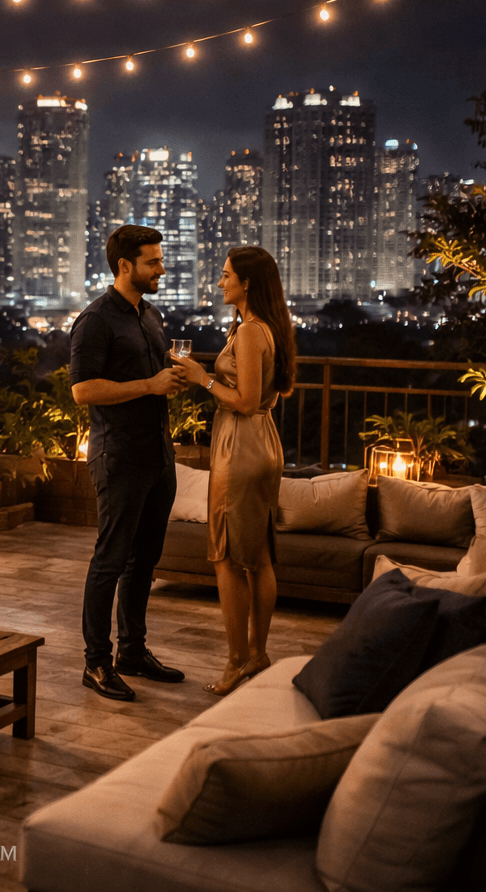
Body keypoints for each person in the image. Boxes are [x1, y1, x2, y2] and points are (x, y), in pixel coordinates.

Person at [68, 225, 187, 701]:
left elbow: (156, 375)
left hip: (158, 455)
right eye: (153, 262)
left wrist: (173, 377)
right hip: (118, 455)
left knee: (145, 562)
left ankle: (132, 652)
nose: (162, 268)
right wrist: (150, 386)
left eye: (160, 260)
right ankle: (95, 662)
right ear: (125, 266)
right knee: (110, 560)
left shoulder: (150, 314)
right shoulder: (96, 320)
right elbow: (82, 391)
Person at [172, 246, 296, 696]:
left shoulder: (248, 333)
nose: (221, 282)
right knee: (259, 555)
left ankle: (237, 661)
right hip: (264, 440)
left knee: (226, 555)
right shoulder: (269, 328)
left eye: (226, 276)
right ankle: (257, 654)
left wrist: (200, 377)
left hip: (240, 445)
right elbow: (266, 395)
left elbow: (243, 400)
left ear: (247, 283)